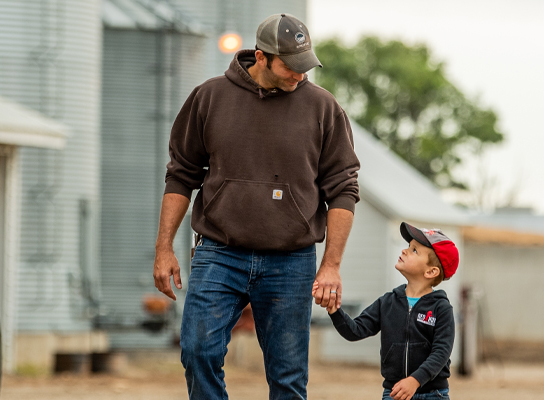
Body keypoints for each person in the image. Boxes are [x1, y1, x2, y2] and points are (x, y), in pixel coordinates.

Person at [150, 12, 361, 400]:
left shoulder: (323, 108)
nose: (299, 74)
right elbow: (181, 175)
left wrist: (331, 265)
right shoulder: (209, 97)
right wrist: (163, 249)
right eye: (290, 66)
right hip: (219, 253)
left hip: (291, 260)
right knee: (198, 352)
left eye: (305, 65)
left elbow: (344, 189)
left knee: (288, 378)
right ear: (261, 57)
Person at [327, 222, 460, 400]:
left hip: (433, 394)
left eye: (414, 250)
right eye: (408, 246)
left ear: (431, 271)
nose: (405, 251)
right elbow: (355, 331)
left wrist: (415, 381)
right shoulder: (387, 302)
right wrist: (334, 310)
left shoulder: (441, 308)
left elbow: (441, 352)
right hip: (394, 394)